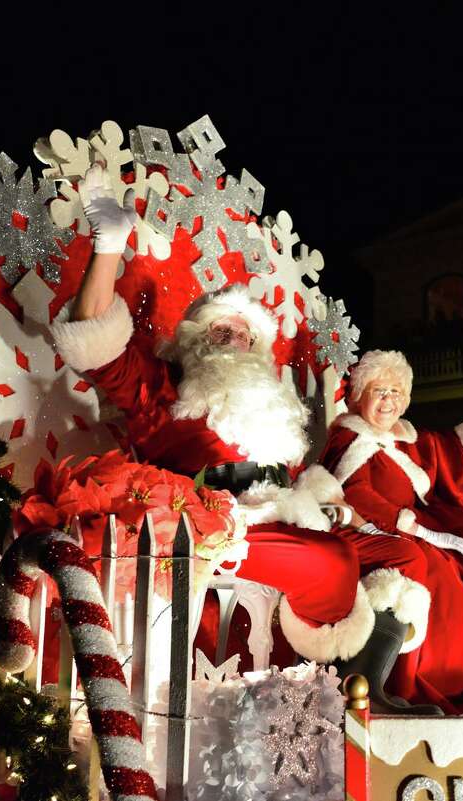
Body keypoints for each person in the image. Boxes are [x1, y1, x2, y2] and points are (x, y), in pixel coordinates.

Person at [47, 164, 435, 712]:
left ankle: (370, 693)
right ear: (195, 342)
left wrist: (334, 504)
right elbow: (92, 339)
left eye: (243, 331)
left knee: (403, 558)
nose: (232, 337)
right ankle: (348, 700)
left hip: (288, 511)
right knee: (333, 565)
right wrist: (108, 242)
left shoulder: (270, 404)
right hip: (214, 523)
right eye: (218, 330)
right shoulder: (162, 389)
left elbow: (299, 479)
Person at [319, 351, 463, 713]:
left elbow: (449, 449)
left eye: (397, 392)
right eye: (379, 390)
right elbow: (354, 493)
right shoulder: (349, 438)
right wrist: (417, 529)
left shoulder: (404, 437)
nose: (389, 401)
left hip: (419, 525)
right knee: (442, 574)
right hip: (375, 529)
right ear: (359, 395)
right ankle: (429, 679)